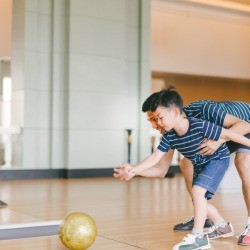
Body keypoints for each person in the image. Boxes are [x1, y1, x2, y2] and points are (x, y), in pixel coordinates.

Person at [114, 87, 250, 250]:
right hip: (217, 137)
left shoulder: (201, 112)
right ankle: (211, 218)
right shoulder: (171, 132)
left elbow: (241, 126)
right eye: (151, 120)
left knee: (242, 162)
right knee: (186, 164)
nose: (155, 125)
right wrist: (133, 171)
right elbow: (160, 169)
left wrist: (217, 141)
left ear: (174, 112)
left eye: (156, 118)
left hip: (243, 123)